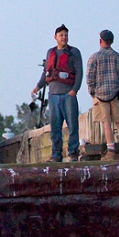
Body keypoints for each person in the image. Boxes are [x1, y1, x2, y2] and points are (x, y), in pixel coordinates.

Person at [32, 24, 82, 162]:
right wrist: (38, 86)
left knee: (72, 126)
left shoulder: (74, 52)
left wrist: (74, 90)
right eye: (61, 35)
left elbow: (79, 72)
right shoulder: (50, 53)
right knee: (55, 128)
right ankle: (56, 154)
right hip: (53, 95)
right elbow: (46, 72)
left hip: (68, 94)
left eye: (66, 35)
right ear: (55, 38)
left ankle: (73, 153)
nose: (64, 37)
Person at [86, 29, 119, 161]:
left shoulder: (94, 58)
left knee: (106, 123)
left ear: (100, 41)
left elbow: (90, 77)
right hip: (115, 94)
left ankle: (111, 151)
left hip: (100, 95)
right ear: (112, 41)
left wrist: (92, 92)